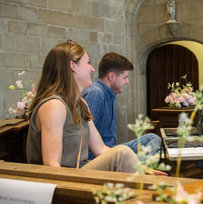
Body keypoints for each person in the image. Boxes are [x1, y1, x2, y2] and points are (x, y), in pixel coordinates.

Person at [26, 41, 139, 172]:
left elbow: (100, 149)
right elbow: (52, 165)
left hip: (81, 169)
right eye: (88, 63)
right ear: (73, 66)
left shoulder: (81, 103)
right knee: (122, 153)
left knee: (127, 153)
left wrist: (138, 166)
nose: (92, 69)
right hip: (64, 178)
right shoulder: (54, 106)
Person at [82, 52, 161, 159]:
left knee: (152, 138)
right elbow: (85, 138)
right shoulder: (96, 94)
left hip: (110, 149)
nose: (127, 82)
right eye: (125, 77)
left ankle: (138, 161)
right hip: (97, 156)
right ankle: (137, 164)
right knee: (153, 147)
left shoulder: (109, 93)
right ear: (111, 76)